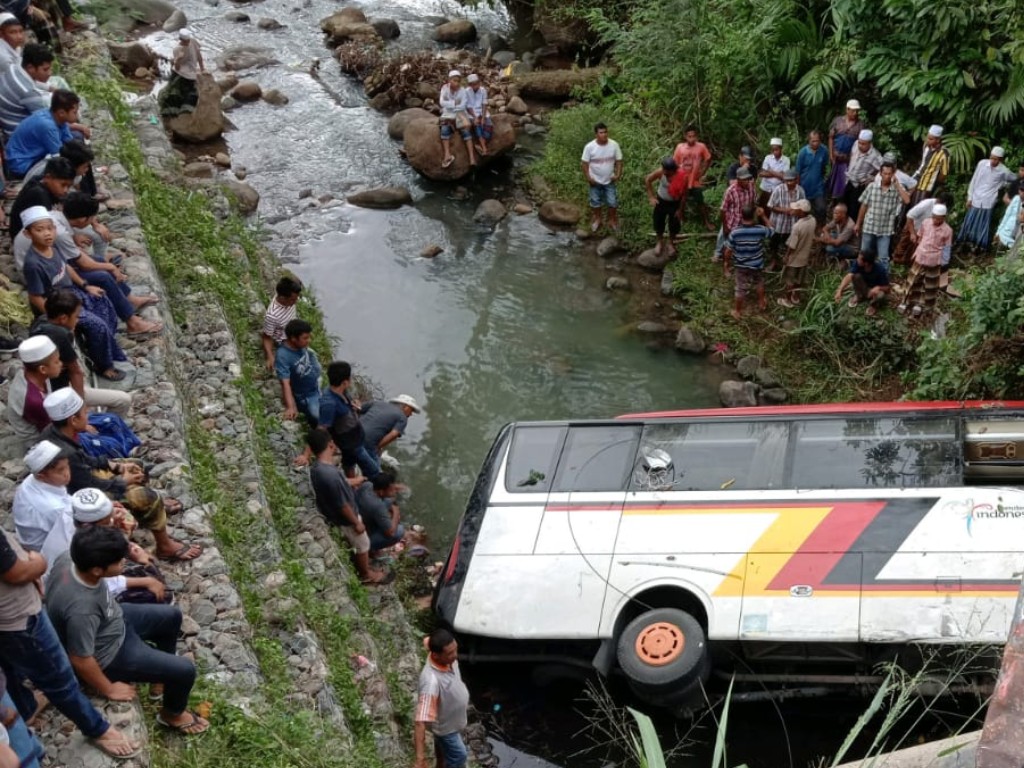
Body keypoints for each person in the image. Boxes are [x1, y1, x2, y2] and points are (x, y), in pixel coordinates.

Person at [44, 526, 209, 735]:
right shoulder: (82, 610)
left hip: (114, 618)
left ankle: (161, 677)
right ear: (97, 570)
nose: (124, 561)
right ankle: (172, 715)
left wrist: (145, 579)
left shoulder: (70, 558)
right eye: (119, 560)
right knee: (185, 670)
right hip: (111, 651)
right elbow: (80, 658)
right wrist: (109, 688)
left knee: (171, 616)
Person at [0, 526, 138, 759]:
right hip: (18, 618)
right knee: (59, 678)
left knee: (7, 665)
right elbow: (14, 572)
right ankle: (97, 729)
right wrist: (35, 564)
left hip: (8, 618)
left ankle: (26, 708)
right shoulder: (80, 608)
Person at [40, 388, 201, 562]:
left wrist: (115, 467)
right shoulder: (66, 453)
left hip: (85, 481)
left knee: (136, 466)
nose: (88, 415)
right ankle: (164, 545)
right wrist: (123, 482)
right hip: (82, 497)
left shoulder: (56, 432)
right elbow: (88, 486)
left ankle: (151, 513)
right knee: (147, 496)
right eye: (85, 412)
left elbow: (86, 459)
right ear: (73, 420)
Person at [20, 206, 130, 382]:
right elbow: (35, 297)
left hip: (72, 293)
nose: (47, 234)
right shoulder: (33, 264)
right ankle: (104, 366)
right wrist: (55, 318)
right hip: (60, 304)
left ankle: (106, 345)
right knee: (96, 325)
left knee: (103, 303)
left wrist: (86, 286)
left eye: (50, 228)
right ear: (28, 234)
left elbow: (67, 268)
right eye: (39, 230)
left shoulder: (52, 248)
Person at [29, 289, 132, 417]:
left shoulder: (40, 323)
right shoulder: (61, 335)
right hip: (64, 394)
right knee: (123, 400)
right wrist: (80, 408)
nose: (78, 320)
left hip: (54, 393)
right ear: (63, 318)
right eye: (77, 316)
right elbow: (76, 372)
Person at [307, 428, 389, 585]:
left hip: (332, 512)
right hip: (345, 518)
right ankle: (365, 575)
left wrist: (354, 481)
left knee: (360, 543)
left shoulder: (318, 468)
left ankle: (364, 568)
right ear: (331, 444)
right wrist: (356, 523)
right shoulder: (330, 475)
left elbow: (340, 484)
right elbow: (343, 504)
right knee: (363, 544)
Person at [414, 628, 470, 768]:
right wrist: (420, 759)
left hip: (451, 720)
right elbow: (420, 722)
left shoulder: (444, 656)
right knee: (459, 755)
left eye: (455, 649)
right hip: (446, 729)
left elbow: (427, 641)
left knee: (443, 753)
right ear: (436, 655)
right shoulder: (431, 681)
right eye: (450, 653)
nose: (455, 655)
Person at [315, 361, 380, 479]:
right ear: (345, 382)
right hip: (351, 445)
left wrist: (354, 406)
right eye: (349, 378)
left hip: (357, 437)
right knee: (373, 470)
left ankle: (353, 485)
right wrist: (307, 454)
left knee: (349, 463)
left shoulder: (342, 391)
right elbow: (321, 429)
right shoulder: (329, 404)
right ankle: (377, 489)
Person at [4, 89, 82, 178]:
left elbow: (70, 141)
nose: (77, 115)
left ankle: (89, 189)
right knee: (67, 168)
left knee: (78, 145)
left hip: (35, 155)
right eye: (74, 112)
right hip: (22, 165)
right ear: (62, 113)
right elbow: (58, 156)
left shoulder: (57, 117)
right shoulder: (47, 126)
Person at [12, 439, 73, 552]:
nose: (67, 473)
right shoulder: (53, 508)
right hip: (44, 548)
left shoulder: (32, 479)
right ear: (41, 476)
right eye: (60, 470)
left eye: (67, 466)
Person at [5, 335, 60, 449]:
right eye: (56, 362)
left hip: (47, 421)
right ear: (43, 369)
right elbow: (50, 430)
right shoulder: (33, 400)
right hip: (39, 440)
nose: (61, 364)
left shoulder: (33, 374)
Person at [958, 147, 1017, 252]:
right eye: (992, 158)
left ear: (1001, 160)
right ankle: (964, 244)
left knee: (982, 224)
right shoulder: (982, 164)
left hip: (988, 201)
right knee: (970, 222)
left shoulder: (1004, 171)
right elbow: (974, 179)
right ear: (990, 156)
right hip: (976, 198)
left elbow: (1015, 179)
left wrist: (1003, 184)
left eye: (996, 159)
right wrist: (969, 197)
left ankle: (978, 247)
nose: (993, 161)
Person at [900, 204, 953, 317]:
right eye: (934, 217)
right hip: (921, 256)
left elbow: (947, 248)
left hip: (934, 260)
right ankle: (905, 301)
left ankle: (920, 305)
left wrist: (944, 263)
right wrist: (917, 250)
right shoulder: (926, 222)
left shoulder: (948, 230)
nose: (935, 220)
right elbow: (920, 237)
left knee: (928, 284)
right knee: (912, 280)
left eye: (938, 218)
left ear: (944, 217)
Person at [855, 162, 910, 268]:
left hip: (885, 229)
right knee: (863, 254)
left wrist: (898, 185)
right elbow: (864, 206)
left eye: (890, 174)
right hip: (869, 226)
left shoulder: (896, 189)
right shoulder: (872, 187)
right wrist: (858, 223)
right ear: (880, 173)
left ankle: (883, 281)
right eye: (885, 173)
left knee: (883, 258)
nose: (887, 176)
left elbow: (907, 201)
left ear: (893, 174)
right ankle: (859, 276)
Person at [723, 204, 773, 320]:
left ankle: (737, 311)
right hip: (757, 264)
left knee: (740, 287)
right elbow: (772, 229)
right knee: (759, 282)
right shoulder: (760, 230)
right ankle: (761, 302)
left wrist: (726, 264)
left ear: (742, 216)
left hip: (741, 265)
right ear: (754, 216)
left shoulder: (735, 232)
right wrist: (764, 216)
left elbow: (728, 251)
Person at [275, 318, 322, 422]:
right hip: (306, 396)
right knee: (318, 417)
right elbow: (285, 383)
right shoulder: (283, 356)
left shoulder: (301, 345)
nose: (308, 341)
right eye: (305, 338)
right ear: (293, 338)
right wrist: (290, 407)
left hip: (316, 385)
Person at [0, 43, 51, 136]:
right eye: (45, 69)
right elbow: (48, 122)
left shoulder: (13, 67)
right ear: (30, 67)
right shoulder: (29, 92)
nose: (49, 73)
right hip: (19, 134)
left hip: (8, 118)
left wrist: (50, 88)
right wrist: (77, 126)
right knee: (75, 134)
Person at [581, 122, 622, 233]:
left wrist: (618, 174)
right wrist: (589, 178)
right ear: (596, 134)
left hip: (609, 180)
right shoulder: (590, 147)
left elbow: (619, 161)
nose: (604, 134)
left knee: (612, 202)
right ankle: (598, 219)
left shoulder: (614, 145)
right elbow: (584, 163)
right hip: (595, 181)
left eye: (605, 132)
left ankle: (613, 221)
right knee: (595, 201)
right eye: (601, 132)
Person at [892, 190, 952, 265]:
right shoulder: (926, 204)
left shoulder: (944, 210)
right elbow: (909, 216)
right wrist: (912, 233)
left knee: (913, 250)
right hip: (912, 225)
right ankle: (895, 262)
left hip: (924, 231)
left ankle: (906, 264)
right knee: (903, 246)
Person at [644, 156, 687, 258]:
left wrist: (680, 210)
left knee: (674, 224)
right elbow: (648, 180)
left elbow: (685, 195)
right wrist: (651, 197)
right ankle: (659, 242)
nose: (664, 171)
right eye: (663, 169)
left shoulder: (682, 176)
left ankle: (671, 243)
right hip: (661, 201)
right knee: (658, 222)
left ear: (673, 170)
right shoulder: (660, 172)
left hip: (675, 203)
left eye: (666, 170)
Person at [672, 126, 712, 230]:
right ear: (685, 136)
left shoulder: (701, 147)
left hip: (694, 180)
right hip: (682, 179)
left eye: (693, 136)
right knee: (681, 200)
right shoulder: (680, 147)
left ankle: (706, 221)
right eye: (689, 136)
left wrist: (703, 172)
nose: (691, 139)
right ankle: (681, 219)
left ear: (696, 136)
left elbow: (708, 159)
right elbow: (675, 163)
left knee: (700, 201)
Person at [355, 470, 405, 554]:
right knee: (399, 530)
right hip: (364, 534)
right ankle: (370, 548)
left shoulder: (367, 485)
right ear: (381, 492)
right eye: (391, 489)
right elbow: (391, 533)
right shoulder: (378, 507)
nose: (394, 491)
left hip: (360, 515)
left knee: (389, 500)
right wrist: (396, 512)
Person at [765, 169, 806, 270]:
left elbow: (804, 207)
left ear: (796, 180)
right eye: (786, 181)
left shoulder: (800, 191)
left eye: (791, 181)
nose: (788, 183)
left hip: (792, 224)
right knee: (774, 243)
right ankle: (773, 261)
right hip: (778, 223)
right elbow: (770, 206)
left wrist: (798, 211)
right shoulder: (778, 189)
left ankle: (787, 262)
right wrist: (784, 210)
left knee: (789, 244)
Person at [158, 28, 204, 117]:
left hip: (191, 74)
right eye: (186, 41)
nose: (188, 42)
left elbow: (198, 55)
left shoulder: (193, 42)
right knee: (173, 95)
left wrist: (202, 68)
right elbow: (177, 67)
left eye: (188, 40)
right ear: (181, 40)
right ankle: (171, 114)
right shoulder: (177, 49)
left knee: (191, 95)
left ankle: (186, 113)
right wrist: (179, 58)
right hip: (180, 74)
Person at [778, 200, 815, 307]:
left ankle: (788, 300)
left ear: (801, 212)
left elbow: (792, 246)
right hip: (804, 258)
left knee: (789, 281)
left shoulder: (797, 226)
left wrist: (786, 256)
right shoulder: (813, 220)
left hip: (794, 259)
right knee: (799, 279)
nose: (793, 210)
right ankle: (796, 297)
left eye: (795, 209)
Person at [359, 394, 421, 459]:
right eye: (411, 410)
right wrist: (377, 447)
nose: (411, 414)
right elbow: (393, 434)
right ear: (406, 407)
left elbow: (357, 408)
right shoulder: (402, 418)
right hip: (367, 443)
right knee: (374, 468)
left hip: (352, 433)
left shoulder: (377, 403)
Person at [715, 166, 756, 262]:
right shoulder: (730, 191)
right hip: (732, 220)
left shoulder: (751, 188)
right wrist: (725, 226)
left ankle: (736, 256)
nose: (747, 181)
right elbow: (723, 210)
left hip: (744, 221)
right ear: (738, 179)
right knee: (724, 238)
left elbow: (753, 202)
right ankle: (718, 253)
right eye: (744, 179)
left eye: (748, 179)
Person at [261, 275, 302, 370]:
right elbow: (266, 337)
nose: (295, 302)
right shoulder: (272, 315)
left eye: (296, 298)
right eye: (293, 300)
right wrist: (270, 356)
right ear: (283, 298)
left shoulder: (288, 296)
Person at [833, 249, 890, 316]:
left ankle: (873, 305)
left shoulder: (880, 270)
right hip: (864, 287)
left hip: (874, 291)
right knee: (856, 276)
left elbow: (888, 288)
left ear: (866, 263)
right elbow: (849, 276)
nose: (857, 259)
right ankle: (859, 296)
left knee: (881, 295)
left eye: (859, 259)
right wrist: (840, 290)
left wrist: (878, 287)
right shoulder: (857, 264)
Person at [827, 99, 865, 199]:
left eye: (857, 111)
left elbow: (861, 144)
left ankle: (842, 202)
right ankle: (833, 201)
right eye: (853, 110)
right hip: (836, 157)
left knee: (845, 183)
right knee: (833, 181)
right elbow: (831, 137)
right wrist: (831, 155)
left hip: (849, 159)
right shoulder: (838, 121)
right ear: (847, 110)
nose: (855, 113)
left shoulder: (860, 125)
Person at [438, 70, 475, 169]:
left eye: (458, 81)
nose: (457, 83)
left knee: (466, 131)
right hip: (448, 113)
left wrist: (450, 104)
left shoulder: (463, 90)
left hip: (460, 113)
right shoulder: (444, 88)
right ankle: (447, 155)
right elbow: (441, 102)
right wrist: (454, 103)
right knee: (444, 130)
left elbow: (463, 105)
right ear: (449, 80)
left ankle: (472, 158)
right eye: (454, 80)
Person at [843, 129, 881, 221]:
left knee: (853, 210)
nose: (860, 145)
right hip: (848, 181)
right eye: (860, 142)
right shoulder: (855, 144)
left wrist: (871, 178)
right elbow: (851, 156)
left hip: (859, 186)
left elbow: (882, 170)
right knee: (843, 205)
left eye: (863, 144)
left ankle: (852, 230)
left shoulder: (875, 155)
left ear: (869, 143)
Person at [795, 130, 829, 222]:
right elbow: (798, 171)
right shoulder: (803, 152)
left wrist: (823, 178)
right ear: (809, 141)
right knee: (806, 211)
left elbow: (825, 166)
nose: (815, 143)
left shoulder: (824, 150)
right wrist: (798, 187)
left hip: (818, 187)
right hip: (804, 187)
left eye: (817, 141)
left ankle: (821, 229)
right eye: (813, 141)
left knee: (821, 209)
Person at [911, 125, 949, 205]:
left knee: (920, 206)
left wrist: (935, 182)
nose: (927, 140)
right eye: (927, 137)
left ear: (938, 140)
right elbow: (923, 163)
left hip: (928, 184)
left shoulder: (943, 153)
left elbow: (944, 173)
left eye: (931, 139)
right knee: (911, 203)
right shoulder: (926, 146)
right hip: (917, 178)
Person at [464, 73, 491, 157]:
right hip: (472, 114)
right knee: (477, 125)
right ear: (470, 85)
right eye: (474, 84)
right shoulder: (466, 91)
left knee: (488, 128)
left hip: (483, 113)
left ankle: (480, 144)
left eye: (477, 83)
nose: (476, 85)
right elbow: (468, 107)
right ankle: (484, 148)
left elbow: (484, 104)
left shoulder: (483, 90)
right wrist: (475, 117)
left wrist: (483, 118)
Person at [757, 137, 789, 209]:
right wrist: (778, 174)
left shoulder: (786, 160)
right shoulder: (768, 158)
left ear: (781, 149)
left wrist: (770, 170)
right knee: (763, 207)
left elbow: (784, 176)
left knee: (774, 208)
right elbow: (761, 174)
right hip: (766, 188)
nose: (774, 152)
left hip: (777, 189)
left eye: (776, 149)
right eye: (773, 150)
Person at [996, 184, 1024, 249]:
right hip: (1007, 231)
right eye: (1021, 190)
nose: (1022, 192)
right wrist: (998, 231)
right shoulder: (1016, 199)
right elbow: (1007, 215)